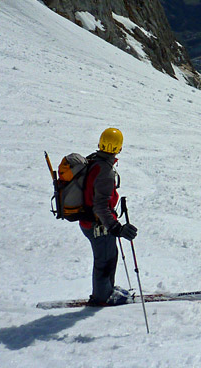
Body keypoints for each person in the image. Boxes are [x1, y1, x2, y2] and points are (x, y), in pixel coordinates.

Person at [80, 127, 138, 306]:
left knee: (110, 255)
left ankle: (107, 289)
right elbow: (100, 205)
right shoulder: (104, 170)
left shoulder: (95, 161)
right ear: (119, 147)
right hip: (97, 224)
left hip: (92, 221)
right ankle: (102, 296)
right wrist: (116, 228)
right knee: (104, 260)